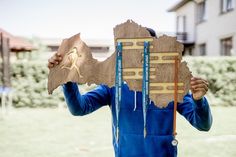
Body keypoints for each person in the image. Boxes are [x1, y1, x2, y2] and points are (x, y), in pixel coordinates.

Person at [48, 29, 212, 157]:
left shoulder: (171, 85)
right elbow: (79, 108)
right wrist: (67, 78)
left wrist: (199, 101)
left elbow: (203, 125)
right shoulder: (113, 85)